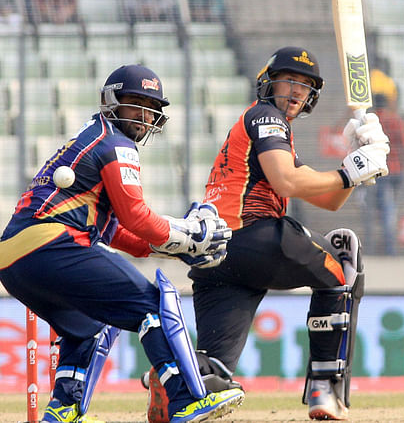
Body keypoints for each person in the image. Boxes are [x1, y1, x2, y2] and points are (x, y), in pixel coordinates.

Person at [143, 46, 391, 422]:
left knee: (215, 371)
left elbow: (329, 199)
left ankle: (171, 375)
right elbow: (287, 181)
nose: (296, 90)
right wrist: (349, 172)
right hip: (253, 234)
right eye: (289, 80)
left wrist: (356, 159)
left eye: (305, 86)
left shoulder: (270, 133)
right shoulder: (265, 116)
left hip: (216, 259)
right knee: (343, 259)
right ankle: (325, 390)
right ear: (268, 82)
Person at [0, 64, 245, 422]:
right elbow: (136, 215)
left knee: (87, 323)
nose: (143, 115)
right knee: (154, 304)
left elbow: (115, 232)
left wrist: (174, 248)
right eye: (134, 103)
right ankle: (186, 399)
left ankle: (63, 410)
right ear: (110, 102)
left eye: (150, 106)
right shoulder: (115, 142)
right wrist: (186, 235)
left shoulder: (91, 137)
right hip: (53, 243)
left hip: (14, 258)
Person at [357, 69, 404, 255]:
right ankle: (388, 247)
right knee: (388, 210)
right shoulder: (396, 120)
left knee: (377, 211)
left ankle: (379, 247)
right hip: (395, 171)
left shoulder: (369, 121)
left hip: (375, 170)